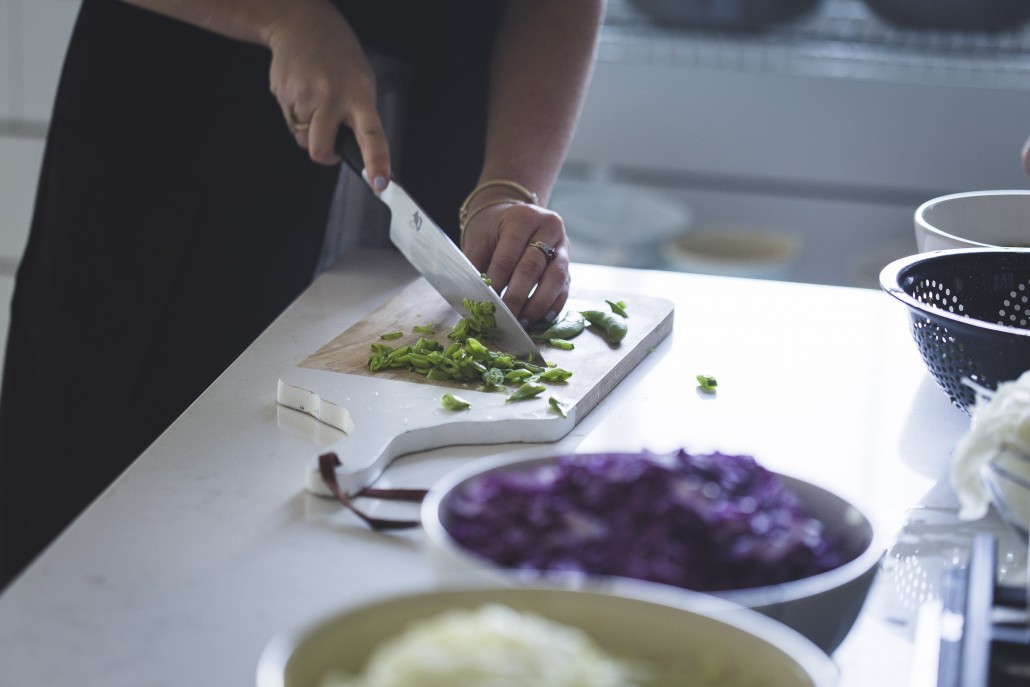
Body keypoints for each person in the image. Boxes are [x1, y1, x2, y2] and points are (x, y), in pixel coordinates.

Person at [0, 0, 605, 589]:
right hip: (174, 146)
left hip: (438, 151)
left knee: (347, 560)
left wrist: (508, 184)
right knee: (90, 546)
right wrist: (280, 14)